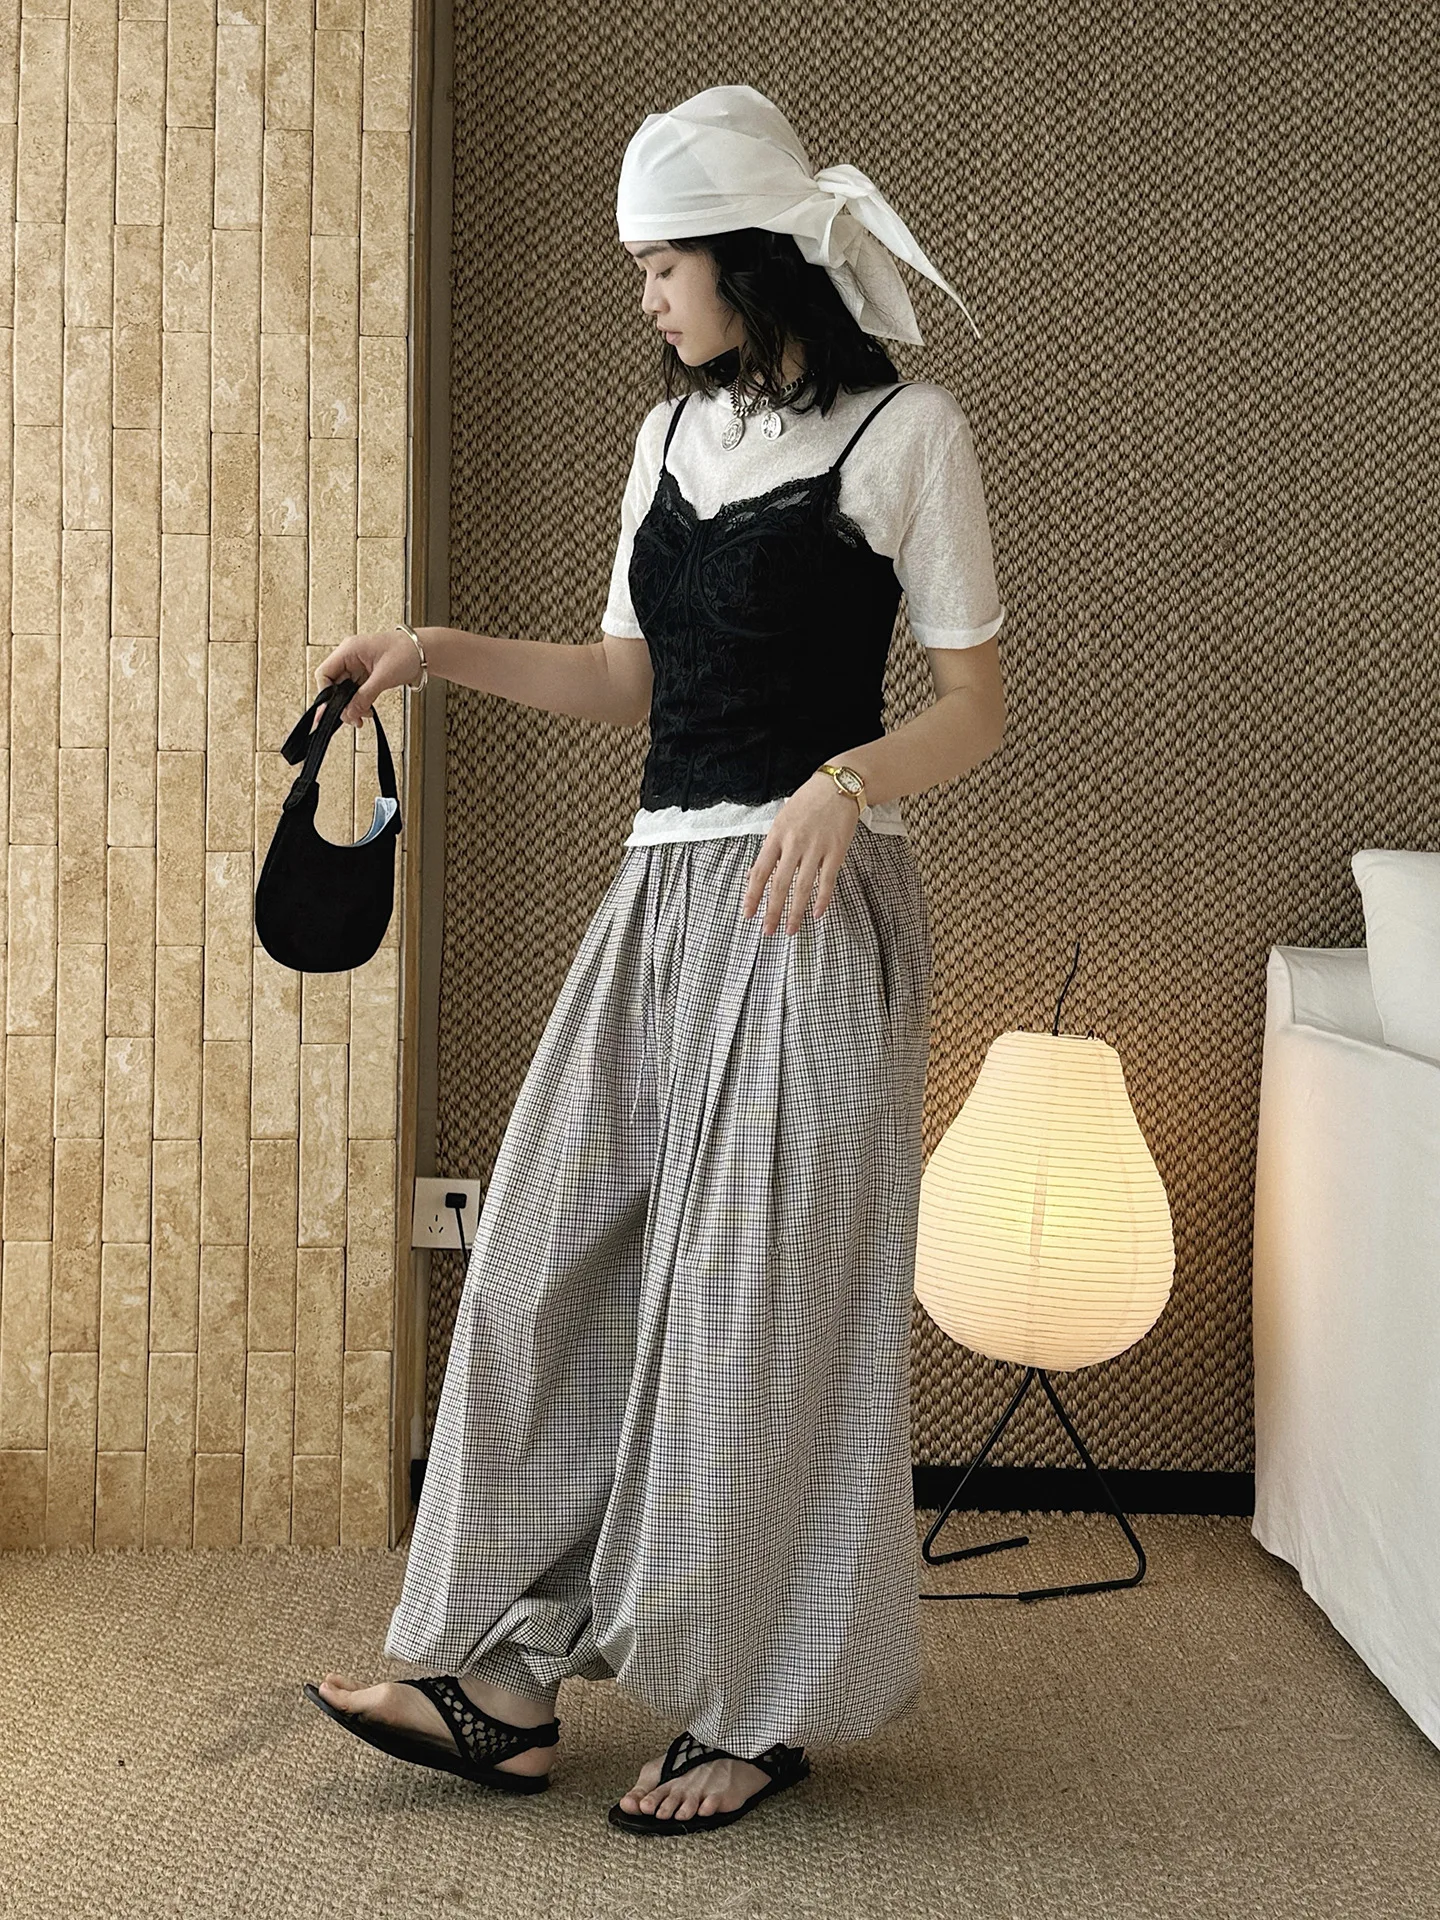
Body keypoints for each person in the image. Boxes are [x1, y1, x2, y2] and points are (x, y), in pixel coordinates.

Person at [302, 84, 1007, 1837]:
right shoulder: (667, 440)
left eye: (662, 266)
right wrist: (429, 650)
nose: (646, 298)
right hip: (661, 903)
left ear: (751, 260)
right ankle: (505, 1682)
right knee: (544, 1264)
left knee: (757, 1309)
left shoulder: (909, 435)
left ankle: (753, 1709)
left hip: (807, 906)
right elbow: (627, 683)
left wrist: (846, 784)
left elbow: (975, 709)